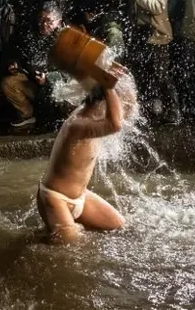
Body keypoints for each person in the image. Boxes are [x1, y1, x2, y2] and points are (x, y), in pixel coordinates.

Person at [38, 71, 128, 244]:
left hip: (80, 197)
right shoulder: (78, 124)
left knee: (118, 226)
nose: (119, 105)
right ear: (103, 101)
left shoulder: (93, 116)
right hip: (56, 199)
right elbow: (116, 124)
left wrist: (118, 76)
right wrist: (109, 86)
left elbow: (122, 114)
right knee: (72, 251)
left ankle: (50, 231)